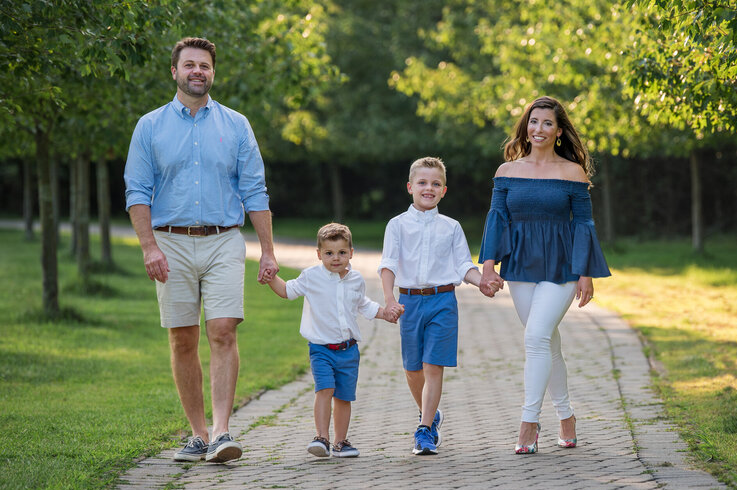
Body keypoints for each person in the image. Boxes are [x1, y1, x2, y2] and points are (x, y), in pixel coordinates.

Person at [124, 37, 279, 463]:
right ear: (174, 71)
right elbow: (136, 191)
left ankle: (223, 432)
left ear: (213, 72)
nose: (198, 71)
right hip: (169, 242)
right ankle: (198, 434)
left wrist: (267, 251)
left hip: (225, 239)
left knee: (223, 330)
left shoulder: (236, 125)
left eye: (205, 66)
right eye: (189, 64)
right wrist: (149, 246)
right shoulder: (150, 127)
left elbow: (254, 190)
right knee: (182, 339)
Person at [479, 96, 611, 454]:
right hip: (521, 265)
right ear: (526, 126)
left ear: (558, 131)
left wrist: (586, 272)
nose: (539, 129)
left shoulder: (572, 173)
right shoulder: (506, 172)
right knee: (547, 343)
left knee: (535, 337)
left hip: (563, 265)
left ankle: (528, 423)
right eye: (533, 122)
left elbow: (584, 224)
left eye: (547, 123)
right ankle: (566, 417)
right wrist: (488, 264)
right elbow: (497, 219)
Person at [379, 156, 500, 456]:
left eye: (436, 183)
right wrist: (389, 299)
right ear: (410, 187)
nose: (428, 188)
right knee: (412, 369)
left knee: (433, 366)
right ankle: (431, 415)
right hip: (408, 302)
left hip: (443, 301)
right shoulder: (397, 225)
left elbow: (463, 265)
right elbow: (388, 265)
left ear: (444, 190)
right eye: (422, 183)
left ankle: (424, 430)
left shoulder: (451, 227)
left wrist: (481, 282)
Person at [265, 223, 400, 458]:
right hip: (321, 349)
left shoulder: (356, 279)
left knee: (344, 397)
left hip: (348, 350)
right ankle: (321, 438)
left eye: (341, 253)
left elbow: (363, 304)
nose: (335, 258)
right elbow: (287, 291)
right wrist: (270, 278)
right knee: (325, 389)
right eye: (329, 253)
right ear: (319, 254)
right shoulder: (311, 277)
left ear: (351, 253)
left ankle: (340, 442)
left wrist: (385, 313)